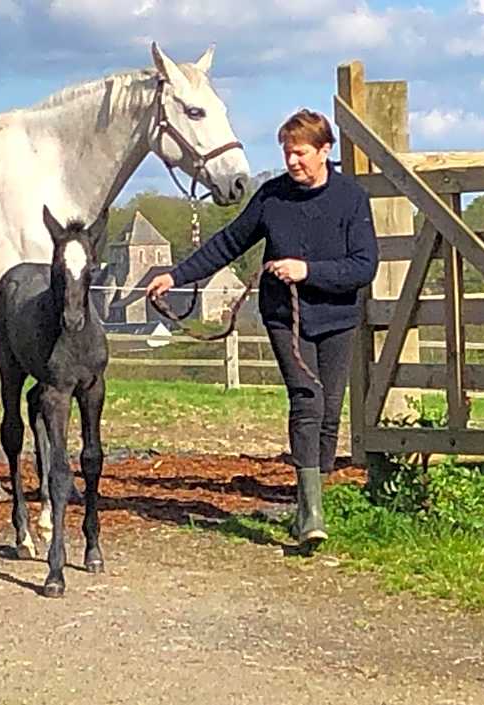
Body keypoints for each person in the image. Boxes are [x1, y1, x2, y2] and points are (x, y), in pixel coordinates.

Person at [146, 109, 378, 548]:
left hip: (337, 317)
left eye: (300, 153)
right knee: (307, 400)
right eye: (287, 153)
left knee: (330, 411)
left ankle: (311, 501)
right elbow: (228, 243)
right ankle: (311, 516)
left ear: (325, 151)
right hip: (285, 316)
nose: (292, 161)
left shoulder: (351, 198)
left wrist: (307, 270)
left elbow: (363, 266)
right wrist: (176, 276)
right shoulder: (272, 197)